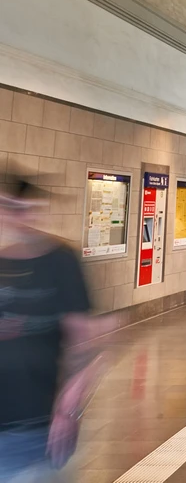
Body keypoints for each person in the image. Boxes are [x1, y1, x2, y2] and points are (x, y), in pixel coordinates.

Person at [0, 171, 111, 480]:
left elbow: (86, 344)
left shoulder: (60, 261)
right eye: (7, 207)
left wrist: (68, 409)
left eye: (23, 208)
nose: (16, 217)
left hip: (39, 431)